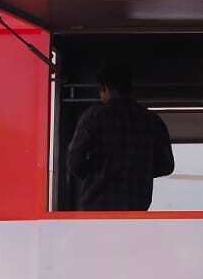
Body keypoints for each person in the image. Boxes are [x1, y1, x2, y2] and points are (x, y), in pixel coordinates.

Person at [65, 63, 175, 211]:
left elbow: (74, 161)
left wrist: (99, 172)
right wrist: (141, 169)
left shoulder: (93, 117)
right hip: (136, 207)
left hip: (96, 208)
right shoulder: (152, 120)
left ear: (105, 88)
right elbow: (167, 165)